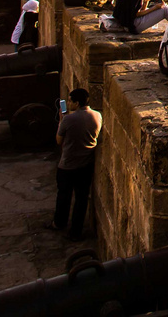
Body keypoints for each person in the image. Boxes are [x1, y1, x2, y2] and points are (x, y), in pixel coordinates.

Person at [53, 87, 101, 240]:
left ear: (76, 102)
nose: (68, 103)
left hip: (68, 165)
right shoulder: (97, 115)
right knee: (81, 198)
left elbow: (59, 140)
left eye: (69, 101)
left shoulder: (68, 119)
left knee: (64, 195)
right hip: (86, 164)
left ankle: (59, 223)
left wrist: (62, 120)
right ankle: (76, 231)